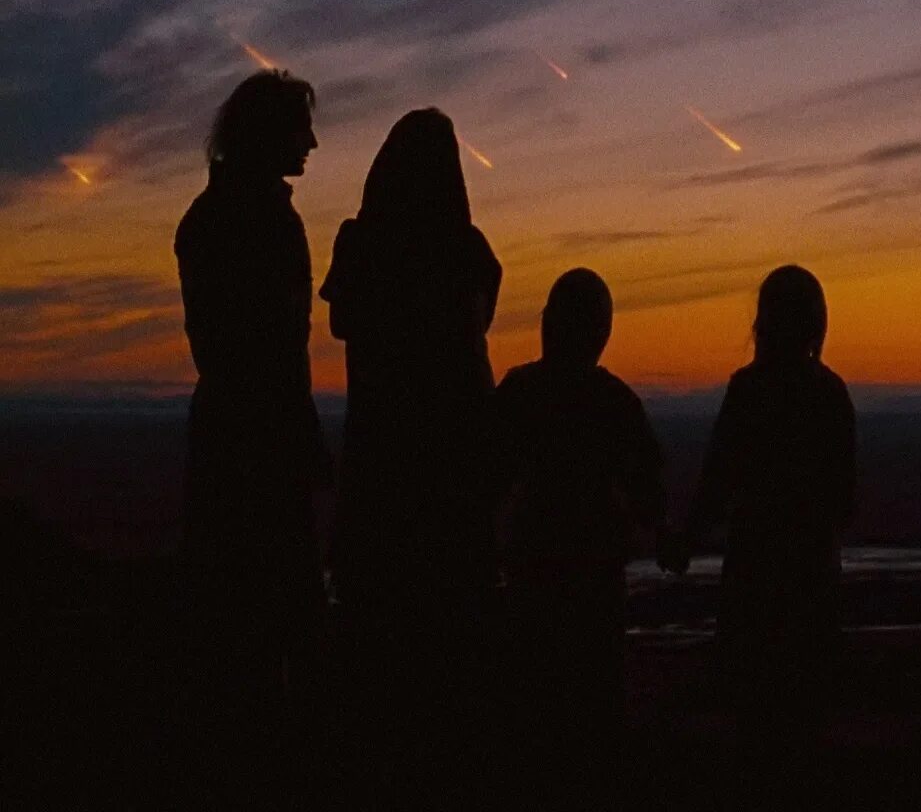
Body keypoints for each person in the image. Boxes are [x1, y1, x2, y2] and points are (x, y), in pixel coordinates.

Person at [318, 108, 501, 800]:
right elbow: (474, 326)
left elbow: (340, 321)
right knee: (447, 633)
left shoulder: (361, 245)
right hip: (450, 464)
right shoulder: (466, 249)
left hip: (381, 460)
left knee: (380, 626)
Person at [172, 69, 326, 789]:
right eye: (302, 129)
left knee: (235, 607)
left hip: (231, 433)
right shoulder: (264, 221)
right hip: (262, 439)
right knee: (272, 604)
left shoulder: (207, 219)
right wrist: (306, 442)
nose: (314, 143)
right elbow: (275, 353)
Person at [659, 265, 857, 777]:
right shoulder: (831, 395)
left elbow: (716, 482)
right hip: (812, 581)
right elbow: (845, 498)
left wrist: (682, 542)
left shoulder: (748, 391)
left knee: (753, 731)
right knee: (802, 730)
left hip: (753, 581)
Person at [494, 269, 663, 791]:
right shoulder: (616, 403)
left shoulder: (521, 392)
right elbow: (648, 492)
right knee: (595, 714)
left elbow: (484, 476)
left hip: (533, 571)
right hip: (595, 579)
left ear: (549, 325)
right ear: (602, 332)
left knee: (535, 714)